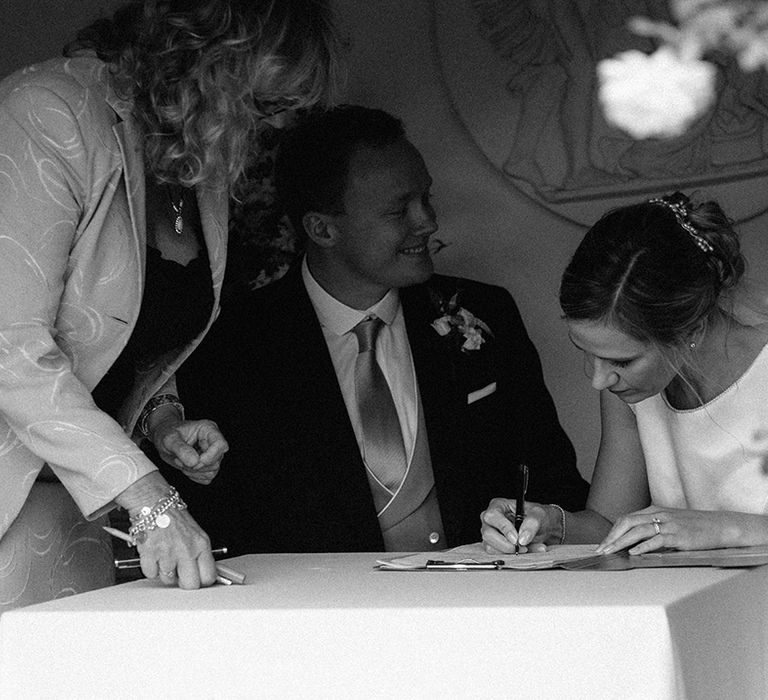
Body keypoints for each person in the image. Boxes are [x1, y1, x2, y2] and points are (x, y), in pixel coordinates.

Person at [0, 0, 341, 609]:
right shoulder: (47, 114)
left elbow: (123, 329)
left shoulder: (194, 159)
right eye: (266, 106)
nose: (277, 132)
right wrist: (150, 497)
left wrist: (161, 420)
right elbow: (10, 348)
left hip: (79, 503)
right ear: (206, 62)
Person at [162, 105, 589, 555]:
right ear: (322, 228)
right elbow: (219, 523)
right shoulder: (233, 345)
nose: (427, 221)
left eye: (426, 198)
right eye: (398, 210)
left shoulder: (487, 312)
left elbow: (551, 481)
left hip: (487, 602)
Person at [481, 191, 768, 556]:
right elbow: (610, 523)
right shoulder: (629, 389)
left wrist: (726, 527)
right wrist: (550, 522)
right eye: (586, 353)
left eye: (623, 361)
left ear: (691, 330)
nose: (598, 380)